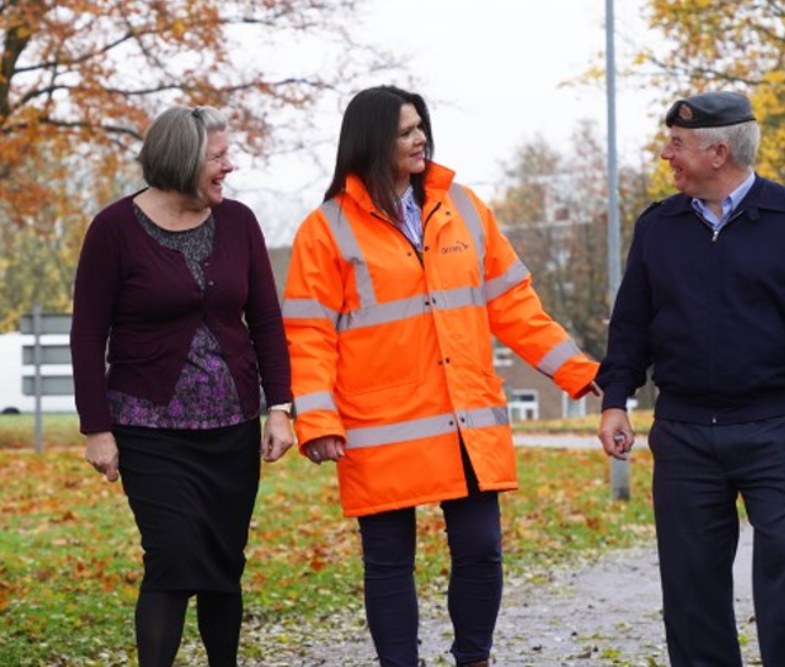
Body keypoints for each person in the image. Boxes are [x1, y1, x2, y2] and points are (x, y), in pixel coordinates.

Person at [282, 85, 599, 667]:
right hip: (380, 426)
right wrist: (317, 418)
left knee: (481, 550)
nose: (420, 137)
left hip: (464, 418)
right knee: (387, 562)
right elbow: (308, 335)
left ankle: (473, 658)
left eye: (421, 126)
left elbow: (514, 306)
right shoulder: (325, 229)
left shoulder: (466, 208)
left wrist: (578, 373)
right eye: (405, 131)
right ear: (373, 140)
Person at [595, 91, 785, 667]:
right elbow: (631, 326)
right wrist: (615, 399)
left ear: (718, 152)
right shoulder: (658, 226)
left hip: (776, 433)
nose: (667, 154)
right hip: (685, 433)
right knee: (691, 594)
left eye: (677, 144)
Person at [70, 105, 295, 667]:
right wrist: (96, 428)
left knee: (223, 563)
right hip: (148, 428)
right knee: (171, 556)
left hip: (231, 425)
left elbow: (266, 320)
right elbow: (87, 334)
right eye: (218, 157)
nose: (230, 166)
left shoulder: (240, 222)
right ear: (183, 159)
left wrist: (280, 408)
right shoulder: (115, 229)